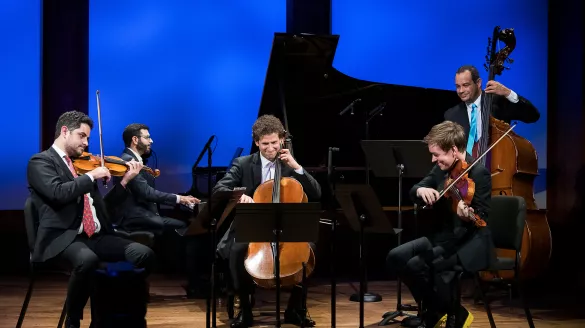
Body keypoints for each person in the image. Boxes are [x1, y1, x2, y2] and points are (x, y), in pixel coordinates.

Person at [27, 111, 156, 328]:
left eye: (88, 138)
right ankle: (73, 320)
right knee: (87, 260)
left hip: (97, 235)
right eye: (82, 136)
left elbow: (103, 209)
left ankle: (107, 317)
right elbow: (58, 194)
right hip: (63, 237)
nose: (86, 143)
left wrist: (124, 183)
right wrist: (90, 177)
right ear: (65, 132)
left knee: (145, 255)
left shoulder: (85, 163)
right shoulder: (40, 162)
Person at [212, 114, 322, 328]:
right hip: (253, 224)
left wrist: (297, 167)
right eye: (265, 144)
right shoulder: (243, 164)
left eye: (274, 142)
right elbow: (219, 188)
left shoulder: (289, 163)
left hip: (286, 225)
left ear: (282, 139)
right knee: (236, 250)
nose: (270, 148)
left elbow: (315, 192)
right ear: (256, 143)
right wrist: (239, 195)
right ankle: (245, 309)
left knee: (310, 250)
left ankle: (294, 309)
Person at [386, 121, 495, 328]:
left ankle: (435, 314)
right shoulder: (442, 170)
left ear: (454, 150)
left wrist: (466, 214)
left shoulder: (479, 173)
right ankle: (446, 311)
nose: (433, 159)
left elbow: (482, 216)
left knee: (417, 265)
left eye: (437, 154)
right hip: (444, 237)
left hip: (469, 243)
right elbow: (417, 188)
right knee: (396, 257)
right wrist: (420, 191)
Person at [112, 123, 200, 235]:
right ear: (135, 139)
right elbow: (147, 192)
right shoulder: (129, 161)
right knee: (181, 225)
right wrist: (180, 199)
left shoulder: (135, 160)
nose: (151, 141)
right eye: (147, 137)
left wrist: (179, 200)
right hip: (134, 218)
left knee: (178, 222)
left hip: (143, 214)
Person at [444, 65, 540, 158]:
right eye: (457, 86)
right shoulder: (451, 115)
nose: (460, 90)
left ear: (478, 83)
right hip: (466, 171)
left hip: (498, 166)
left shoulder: (498, 102)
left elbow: (532, 116)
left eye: (465, 85)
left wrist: (508, 93)